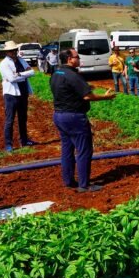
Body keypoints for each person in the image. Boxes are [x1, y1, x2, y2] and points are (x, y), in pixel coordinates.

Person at [50, 48, 116, 192]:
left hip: (59, 115)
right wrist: (106, 97)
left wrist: (87, 86)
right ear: (69, 59)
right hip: (74, 117)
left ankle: (68, 181)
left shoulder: (56, 73)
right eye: (77, 57)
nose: (79, 59)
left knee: (67, 149)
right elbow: (87, 96)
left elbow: (67, 89)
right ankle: (84, 184)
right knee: (84, 150)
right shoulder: (73, 75)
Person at [0, 41, 36, 152]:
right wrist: (24, 75)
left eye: (15, 50)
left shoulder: (21, 60)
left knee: (23, 118)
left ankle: (24, 140)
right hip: (11, 94)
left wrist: (19, 74)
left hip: (23, 92)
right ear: (6, 52)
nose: (13, 52)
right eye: (11, 51)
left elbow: (32, 72)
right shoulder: (4, 63)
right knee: (10, 120)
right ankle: (8, 144)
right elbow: (11, 79)